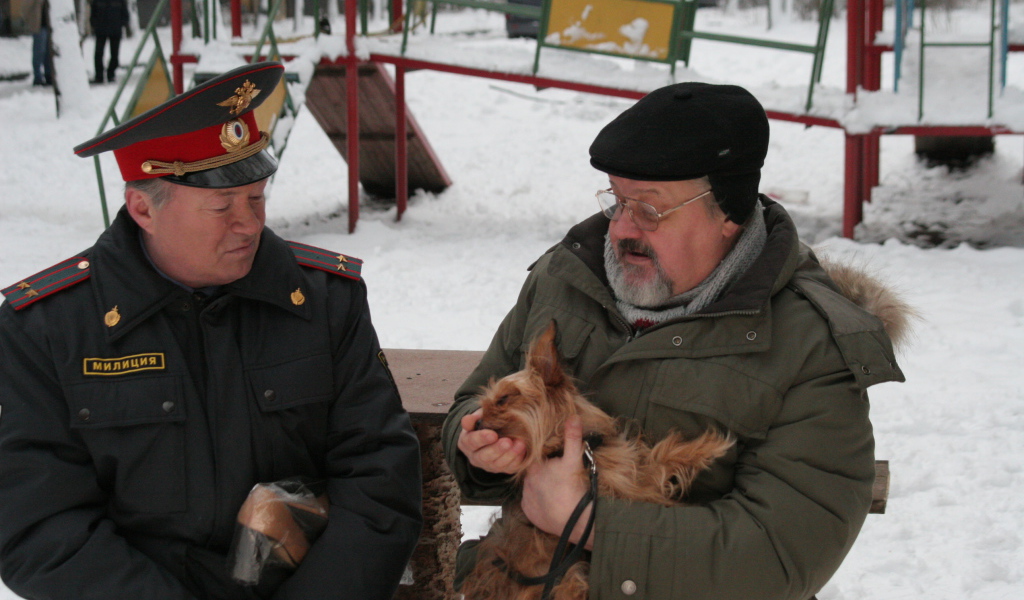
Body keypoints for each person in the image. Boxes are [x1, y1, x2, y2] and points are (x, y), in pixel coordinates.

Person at [443, 82, 910, 600]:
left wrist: (590, 521)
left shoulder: (810, 343)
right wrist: (479, 450)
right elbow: (472, 400)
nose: (620, 228)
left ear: (728, 211)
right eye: (617, 201)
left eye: (649, 209)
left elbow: (783, 553)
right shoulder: (566, 276)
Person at [0, 61, 423, 600]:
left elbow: (379, 477)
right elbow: (38, 525)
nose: (248, 223)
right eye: (221, 205)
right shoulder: (49, 328)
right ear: (142, 209)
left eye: (256, 197)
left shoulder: (323, 302)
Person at [89, 0, 128, 83]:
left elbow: (125, 13)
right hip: (101, 30)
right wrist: (94, 24)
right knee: (98, 54)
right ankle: (99, 76)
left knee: (114, 55)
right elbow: (93, 12)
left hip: (115, 30)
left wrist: (122, 23)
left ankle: (111, 74)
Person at [22, 0, 53, 86]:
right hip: (39, 26)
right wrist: (30, 20)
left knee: (48, 53)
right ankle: (38, 77)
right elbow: (25, 8)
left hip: (49, 26)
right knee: (39, 52)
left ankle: (48, 75)